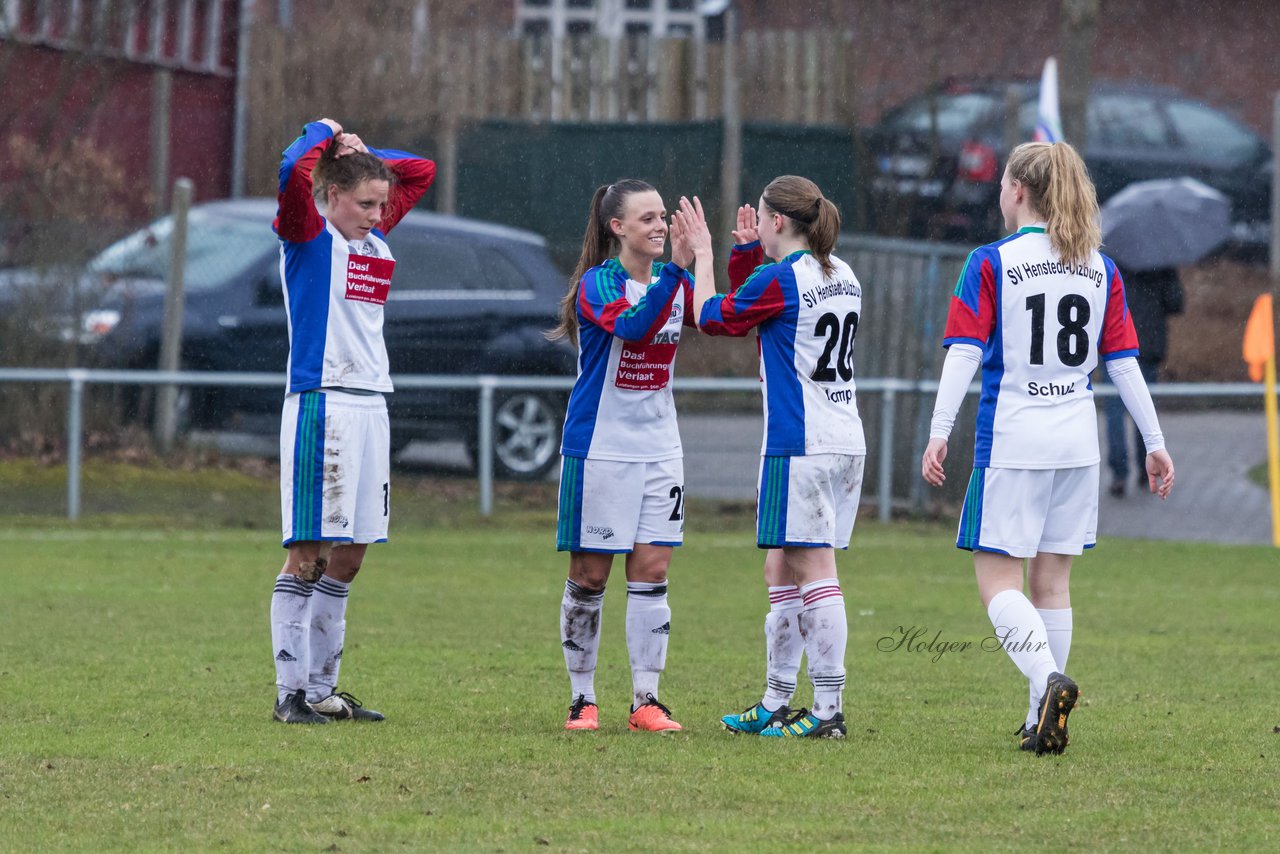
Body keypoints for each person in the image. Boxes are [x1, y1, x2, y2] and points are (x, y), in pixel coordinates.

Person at [920, 141, 1175, 755]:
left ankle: (1046, 683)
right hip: (1077, 445)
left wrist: (938, 430)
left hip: (1013, 441)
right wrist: (1155, 443)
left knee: (998, 583)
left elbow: (963, 351)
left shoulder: (990, 261)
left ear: (1016, 191)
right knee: (1053, 584)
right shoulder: (1098, 267)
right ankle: (1042, 716)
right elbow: (1125, 366)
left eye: (1004, 183)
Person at [269, 117, 435, 724]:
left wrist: (361, 152)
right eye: (363, 202)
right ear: (330, 194)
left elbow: (421, 171)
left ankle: (323, 690)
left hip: (372, 404)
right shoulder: (308, 234)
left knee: (351, 556)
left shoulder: (372, 237)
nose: (375, 213)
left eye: (380, 204)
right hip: (324, 402)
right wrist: (324, 133)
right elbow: (292, 169)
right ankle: (290, 694)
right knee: (307, 554)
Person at [690, 175, 865, 739]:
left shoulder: (785, 278)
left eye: (762, 219)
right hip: (842, 438)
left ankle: (829, 711)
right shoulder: (840, 271)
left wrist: (702, 259)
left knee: (814, 569)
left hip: (801, 442)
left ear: (780, 223)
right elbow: (761, 310)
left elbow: (716, 317)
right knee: (779, 567)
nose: (757, 225)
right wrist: (746, 255)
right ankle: (776, 701)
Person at [549, 180, 711, 733]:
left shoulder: (671, 280)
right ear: (617, 227)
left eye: (663, 216)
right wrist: (676, 273)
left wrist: (709, 256)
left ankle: (647, 700)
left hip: (660, 450)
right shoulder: (600, 284)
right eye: (647, 218)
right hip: (601, 450)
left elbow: (714, 317)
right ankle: (582, 698)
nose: (660, 226)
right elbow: (637, 330)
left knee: (653, 570)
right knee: (590, 576)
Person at [1104, 266, 1183, 497]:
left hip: (1115, 343)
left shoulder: (1114, 264)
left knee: (1114, 411)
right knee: (1142, 403)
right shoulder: (1162, 264)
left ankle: (1119, 473)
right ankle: (1144, 464)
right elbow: (1176, 303)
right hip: (1147, 344)